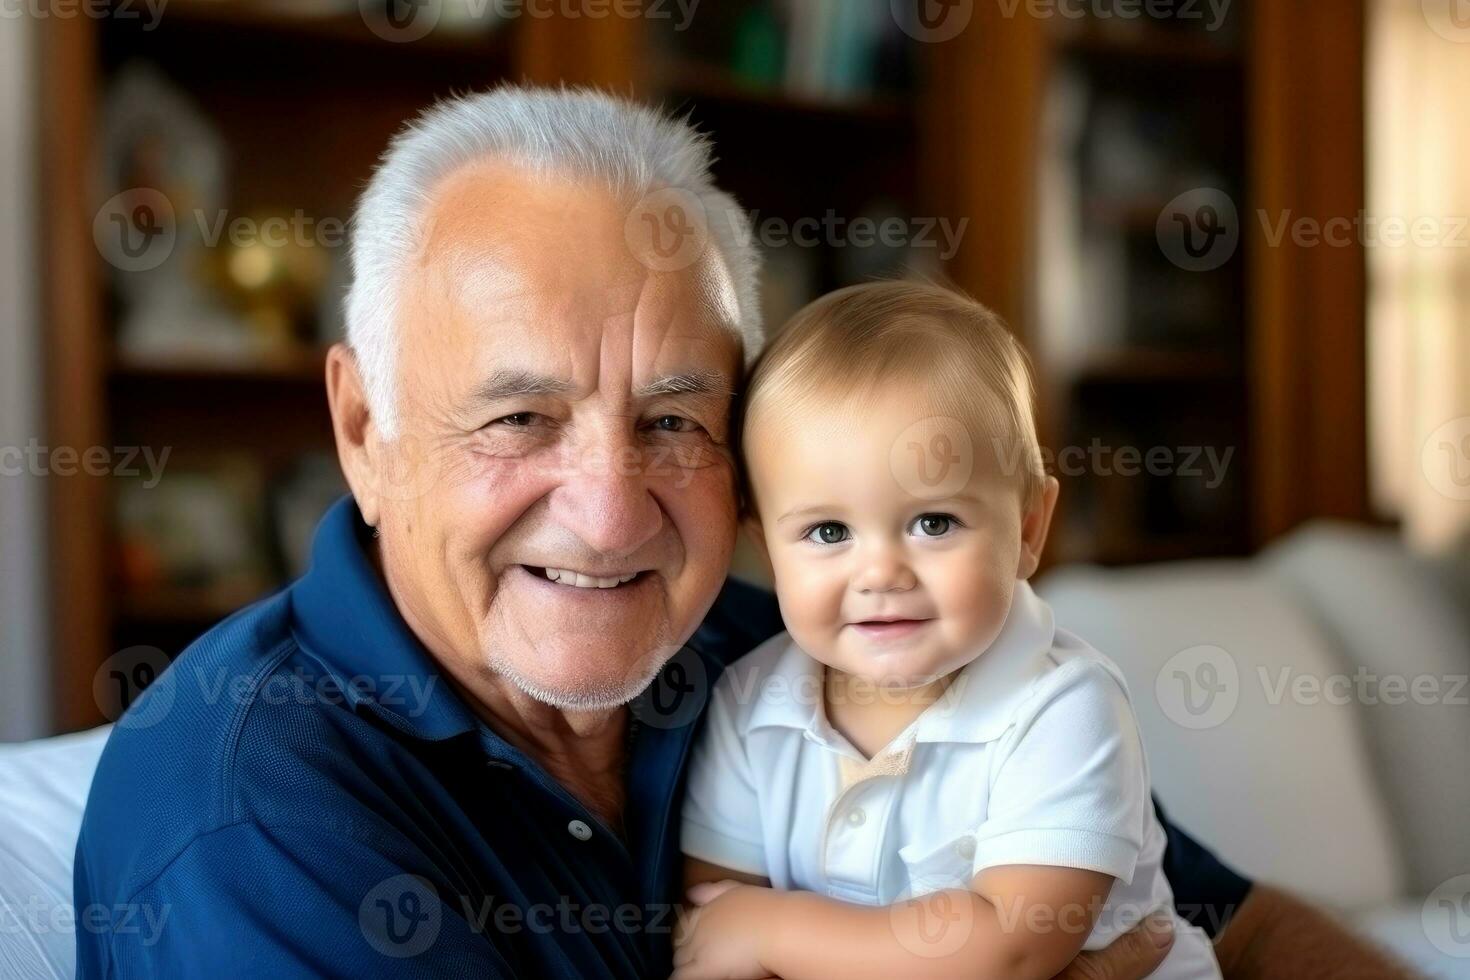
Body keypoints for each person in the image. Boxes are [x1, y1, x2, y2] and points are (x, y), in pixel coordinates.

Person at [72, 86, 1408, 978]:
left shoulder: (789, 652)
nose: (606, 515)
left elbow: (1237, 923)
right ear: (363, 431)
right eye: (519, 419)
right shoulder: (252, 812)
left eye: (671, 420)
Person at [674, 280, 1220, 979]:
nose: (881, 572)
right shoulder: (748, 704)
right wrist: (742, 935)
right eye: (828, 530)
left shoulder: (1063, 706)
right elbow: (708, 932)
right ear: (763, 546)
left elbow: (1008, 950)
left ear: (1028, 530)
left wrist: (773, 931)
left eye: (933, 523)